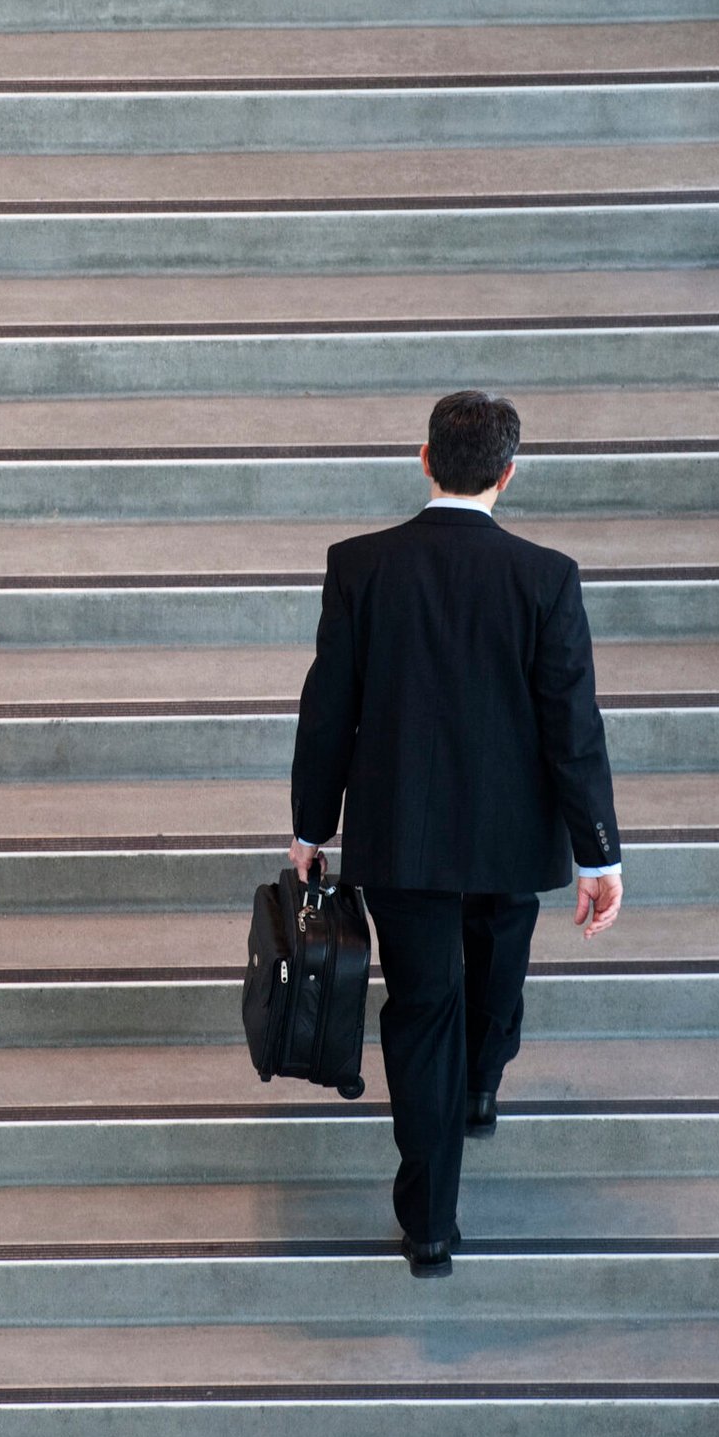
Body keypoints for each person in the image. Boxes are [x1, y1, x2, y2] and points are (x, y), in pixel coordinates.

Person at [288, 389, 622, 1279]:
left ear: (425, 459)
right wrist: (599, 851)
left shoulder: (361, 566)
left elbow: (329, 713)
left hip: (405, 838)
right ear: (507, 476)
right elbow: (572, 722)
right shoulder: (545, 577)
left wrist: (310, 829)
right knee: (495, 987)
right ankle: (480, 1086)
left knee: (423, 1009)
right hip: (514, 841)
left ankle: (429, 1222)